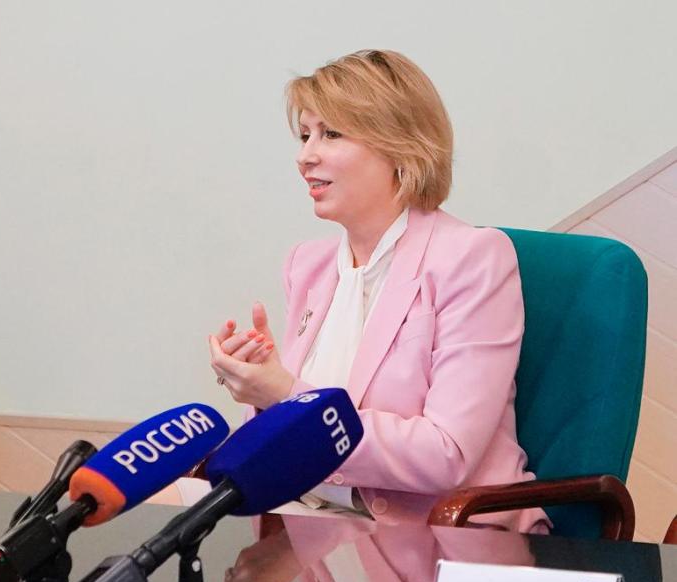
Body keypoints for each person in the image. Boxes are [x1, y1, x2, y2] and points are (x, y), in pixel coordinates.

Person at [207, 49, 549, 534]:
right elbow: (288, 437)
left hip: (443, 537)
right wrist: (259, 391)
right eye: (305, 135)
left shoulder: (472, 257)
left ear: (400, 146)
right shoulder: (308, 265)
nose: (305, 156)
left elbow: (446, 454)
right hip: (316, 526)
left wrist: (286, 394)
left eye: (331, 133)